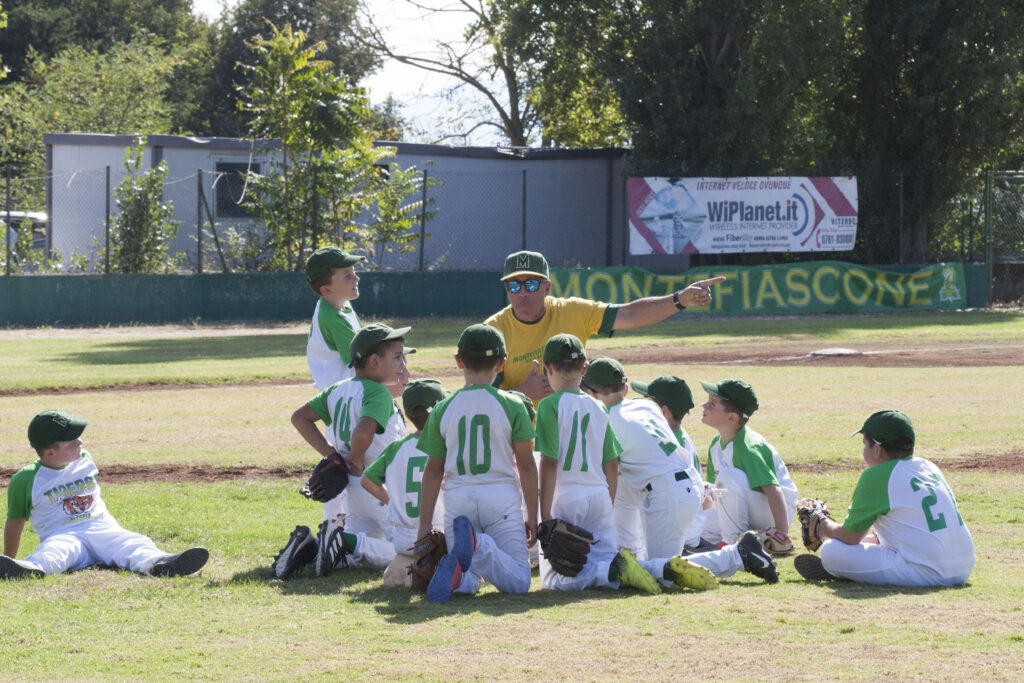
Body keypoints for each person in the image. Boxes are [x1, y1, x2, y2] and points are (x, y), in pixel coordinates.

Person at [584, 360, 779, 587]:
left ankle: (737, 555)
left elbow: (600, 468)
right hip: (682, 486)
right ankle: (627, 553)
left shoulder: (604, 418)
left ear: (590, 393)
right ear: (625, 389)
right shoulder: (644, 407)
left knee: (662, 572)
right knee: (649, 562)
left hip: (668, 493)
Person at [484, 250, 726, 402]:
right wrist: (520, 394)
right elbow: (479, 400)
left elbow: (629, 314)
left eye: (531, 285)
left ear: (547, 287)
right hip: (522, 444)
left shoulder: (572, 311)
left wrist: (680, 299)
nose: (523, 292)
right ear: (506, 290)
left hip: (574, 434)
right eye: (514, 286)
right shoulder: (493, 331)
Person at [1, 410, 209, 579]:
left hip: (102, 528)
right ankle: (26, 568)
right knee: (54, 554)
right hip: (62, 535)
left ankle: (160, 563)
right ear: (50, 453)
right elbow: (15, 522)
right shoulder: (26, 480)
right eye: (72, 442)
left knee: (132, 542)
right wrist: (8, 558)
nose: (80, 443)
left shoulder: (85, 459)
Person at [415, 324, 538, 603]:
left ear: (459, 361)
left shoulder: (442, 408)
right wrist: (533, 513)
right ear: (502, 363)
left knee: (466, 573)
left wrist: (424, 525)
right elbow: (527, 465)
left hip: (459, 500)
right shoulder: (513, 404)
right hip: (501, 499)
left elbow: (433, 470)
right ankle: (479, 545)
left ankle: (463, 575)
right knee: (519, 580)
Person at [284, 324, 412, 578]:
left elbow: (300, 417)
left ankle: (314, 547)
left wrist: (329, 452)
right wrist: (355, 456)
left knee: (347, 554)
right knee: (413, 551)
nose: (401, 364)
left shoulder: (337, 389)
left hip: (351, 487)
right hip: (379, 484)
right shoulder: (378, 393)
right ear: (374, 361)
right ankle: (347, 543)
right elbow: (364, 430)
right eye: (397, 357)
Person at [795, 410, 975, 586]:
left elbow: (850, 537)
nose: (864, 449)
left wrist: (822, 525)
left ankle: (841, 571)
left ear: (878, 450)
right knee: (870, 541)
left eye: (865, 444)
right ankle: (854, 570)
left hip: (925, 572)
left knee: (831, 550)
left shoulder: (878, 475)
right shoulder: (928, 466)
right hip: (964, 567)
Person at [361, 379, 479, 591]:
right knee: (476, 569)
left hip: (406, 540)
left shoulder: (396, 448)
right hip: (442, 536)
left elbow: (367, 480)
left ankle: (411, 573)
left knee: (394, 577)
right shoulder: (450, 444)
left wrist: (392, 502)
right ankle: (443, 573)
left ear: (407, 416)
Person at [700, 379, 798, 553]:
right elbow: (714, 496)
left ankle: (732, 543)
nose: (704, 405)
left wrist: (781, 534)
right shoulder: (716, 445)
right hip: (749, 507)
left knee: (728, 477)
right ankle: (737, 540)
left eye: (712, 403)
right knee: (695, 526)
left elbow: (774, 491)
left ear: (732, 417)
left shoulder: (749, 447)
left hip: (772, 512)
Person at [630, 375, 716, 554]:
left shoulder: (658, 443)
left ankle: (734, 557)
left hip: (674, 530)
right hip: (687, 524)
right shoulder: (682, 435)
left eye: (648, 402)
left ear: (664, 412)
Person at [305, 246, 366, 390]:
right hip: (342, 397)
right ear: (327, 290)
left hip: (347, 391)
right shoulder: (332, 317)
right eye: (347, 276)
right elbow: (362, 359)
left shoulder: (341, 303)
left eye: (354, 272)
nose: (356, 278)